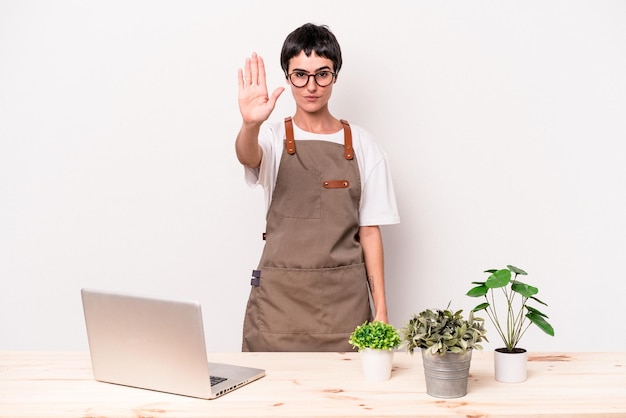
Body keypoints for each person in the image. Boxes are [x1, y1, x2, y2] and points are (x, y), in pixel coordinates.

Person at [235, 23, 400, 352]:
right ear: (287, 76)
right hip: (278, 308)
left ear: (335, 75)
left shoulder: (365, 146)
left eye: (322, 74)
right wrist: (250, 124)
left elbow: (370, 233)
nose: (311, 86)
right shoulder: (271, 138)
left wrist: (381, 310)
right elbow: (247, 155)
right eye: (300, 75)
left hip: (344, 309)